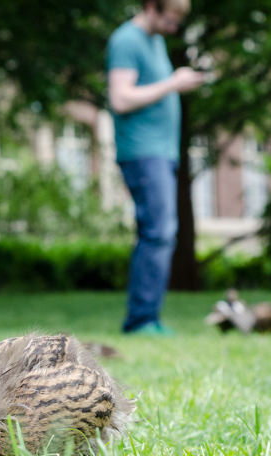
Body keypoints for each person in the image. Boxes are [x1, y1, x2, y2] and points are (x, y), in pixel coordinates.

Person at [106, 0, 206, 335]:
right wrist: (173, 84)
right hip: (142, 151)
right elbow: (120, 98)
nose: (175, 26)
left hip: (159, 152)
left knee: (161, 231)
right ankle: (141, 320)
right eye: (171, 17)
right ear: (151, 6)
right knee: (157, 231)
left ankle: (148, 316)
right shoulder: (127, 41)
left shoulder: (156, 41)